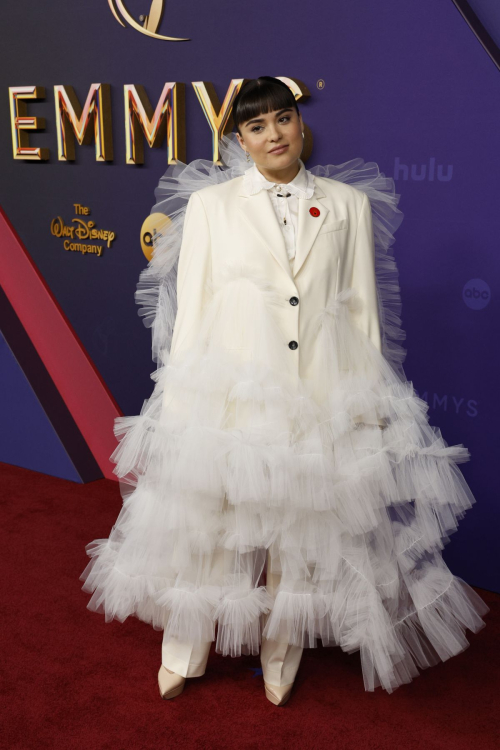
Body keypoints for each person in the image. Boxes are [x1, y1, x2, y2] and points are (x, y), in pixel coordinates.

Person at [80, 77, 489, 706]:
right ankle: (184, 653)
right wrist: (186, 407)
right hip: (232, 397)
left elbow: (362, 313)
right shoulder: (212, 207)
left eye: (284, 119)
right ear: (239, 139)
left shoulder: (348, 203)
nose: (274, 134)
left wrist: (367, 402)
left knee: (301, 539)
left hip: (320, 395)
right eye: (256, 126)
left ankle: (282, 654)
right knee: (212, 531)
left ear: (301, 124)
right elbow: (193, 310)